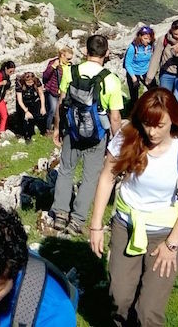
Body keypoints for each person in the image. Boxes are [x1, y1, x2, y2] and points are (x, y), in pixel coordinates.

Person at [89, 88, 178, 327]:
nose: (152, 132)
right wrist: (96, 225)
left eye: (160, 125)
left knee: (148, 311)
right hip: (126, 226)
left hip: (167, 233)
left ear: (174, 119)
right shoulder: (127, 137)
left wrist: (172, 245)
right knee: (119, 298)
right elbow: (107, 178)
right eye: (147, 124)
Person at [51, 34, 124, 235]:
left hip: (72, 130)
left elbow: (61, 103)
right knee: (90, 177)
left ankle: (60, 214)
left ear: (85, 51)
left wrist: (57, 128)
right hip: (97, 134)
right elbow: (115, 117)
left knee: (66, 170)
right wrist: (117, 143)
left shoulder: (71, 71)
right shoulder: (111, 80)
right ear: (107, 53)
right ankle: (77, 220)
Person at [145, 20, 178, 104]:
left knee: (177, 99)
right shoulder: (164, 40)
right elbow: (156, 58)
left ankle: (176, 112)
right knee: (164, 98)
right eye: (175, 34)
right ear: (171, 30)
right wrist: (149, 76)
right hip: (166, 74)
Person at [42, 48, 72, 134]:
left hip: (63, 91)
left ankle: (59, 127)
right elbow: (45, 76)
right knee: (52, 109)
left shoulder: (69, 65)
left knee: (61, 110)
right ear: (62, 55)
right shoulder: (53, 63)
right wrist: (53, 67)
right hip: (53, 90)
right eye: (68, 58)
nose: (69, 60)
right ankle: (47, 129)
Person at [123, 26, 155, 105]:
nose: (148, 41)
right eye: (145, 38)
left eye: (149, 39)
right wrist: (134, 78)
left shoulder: (151, 46)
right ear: (140, 37)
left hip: (146, 71)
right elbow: (127, 64)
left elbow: (152, 59)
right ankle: (134, 109)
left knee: (154, 91)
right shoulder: (133, 47)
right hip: (133, 72)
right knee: (134, 97)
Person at [14, 71, 46, 142]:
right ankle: (25, 135)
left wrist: (43, 107)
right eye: (28, 83)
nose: (30, 84)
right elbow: (20, 100)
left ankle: (40, 131)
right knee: (23, 118)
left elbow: (41, 94)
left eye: (31, 83)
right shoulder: (20, 84)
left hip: (33, 99)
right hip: (23, 101)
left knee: (36, 116)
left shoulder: (36, 81)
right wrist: (26, 111)